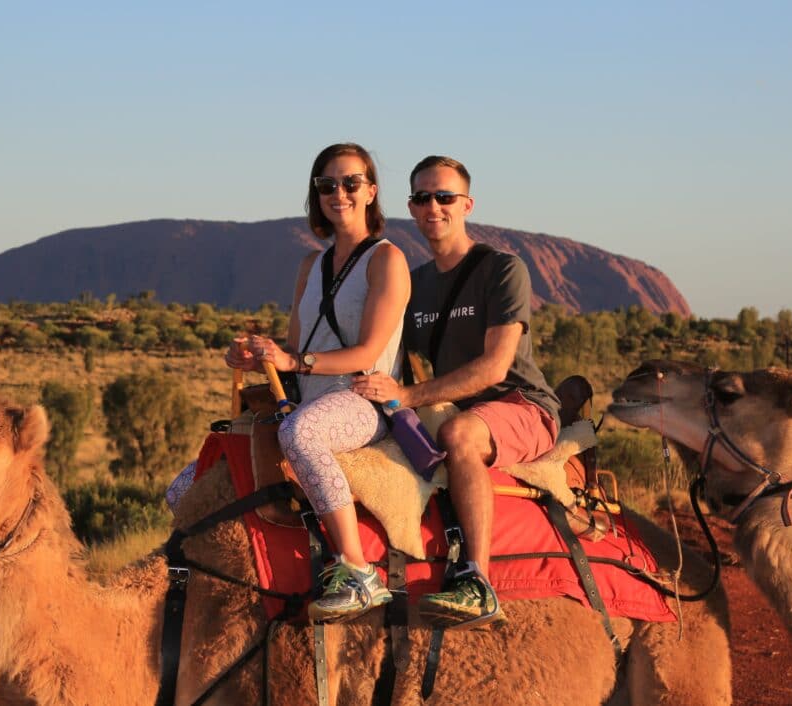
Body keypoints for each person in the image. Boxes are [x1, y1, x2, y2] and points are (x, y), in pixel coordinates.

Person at [352, 155, 561, 629]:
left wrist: (406, 396)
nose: (434, 206)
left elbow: (494, 366)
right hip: (454, 408)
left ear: (467, 204)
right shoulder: (416, 283)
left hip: (519, 404)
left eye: (445, 196)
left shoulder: (503, 270)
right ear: (411, 205)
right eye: (423, 197)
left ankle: (477, 581)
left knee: (461, 435)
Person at [225, 143, 411, 623]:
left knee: (299, 433)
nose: (339, 193)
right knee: (195, 475)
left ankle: (357, 570)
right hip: (309, 395)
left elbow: (368, 353)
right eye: (327, 185)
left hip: (362, 401)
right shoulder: (312, 265)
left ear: (371, 191)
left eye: (351, 183)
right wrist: (257, 357)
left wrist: (295, 359)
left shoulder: (386, 260)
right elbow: (293, 350)